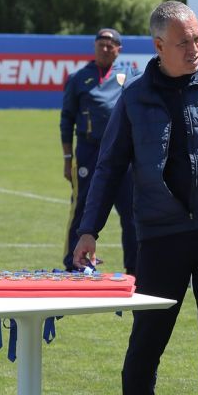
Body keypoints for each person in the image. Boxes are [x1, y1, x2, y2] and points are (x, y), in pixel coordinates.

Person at [72, 3, 198, 395]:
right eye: (183, 42)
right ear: (158, 46)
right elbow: (108, 166)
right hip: (161, 237)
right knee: (147, 341)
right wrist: (89, 229)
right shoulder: (136, 96)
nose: (195, 49)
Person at [60, 28, 137, 273]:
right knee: (82, 207)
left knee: (131, 212)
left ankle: (136, 268)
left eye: (110, 45)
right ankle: (73, 263)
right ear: (94, 47)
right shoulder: (79, 78)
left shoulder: (130, 75)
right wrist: (67, 158)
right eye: (101, 44)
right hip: (88, 151)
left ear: (119, 50)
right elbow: (66, 120)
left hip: (122, 154)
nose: (105, 48)